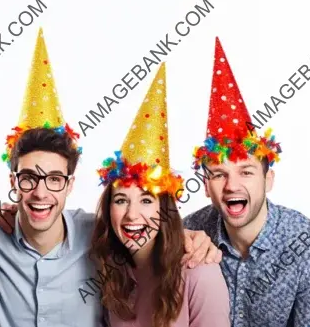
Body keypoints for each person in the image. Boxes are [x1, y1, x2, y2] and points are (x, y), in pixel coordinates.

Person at [0, 28, 222, 327]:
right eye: (28, 178)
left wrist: (188, 235)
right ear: (14, 183)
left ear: (69, 184)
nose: (40, 192)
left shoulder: (96, 236)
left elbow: (142, 229)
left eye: (54, 178)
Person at [183, 37, 310, 327]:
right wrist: (173, 240)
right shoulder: (189, 233)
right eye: (219, 174)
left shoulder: (309, 246)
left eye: (246, 172)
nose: (231, 185)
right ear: (205, 185)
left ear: (269, 180)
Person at [91, 63, 230, 327]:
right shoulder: (111, 271)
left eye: (146, 200)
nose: (133, 215)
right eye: (121, 200)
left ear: (164, 208)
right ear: (109, 209)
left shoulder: (199, 273)